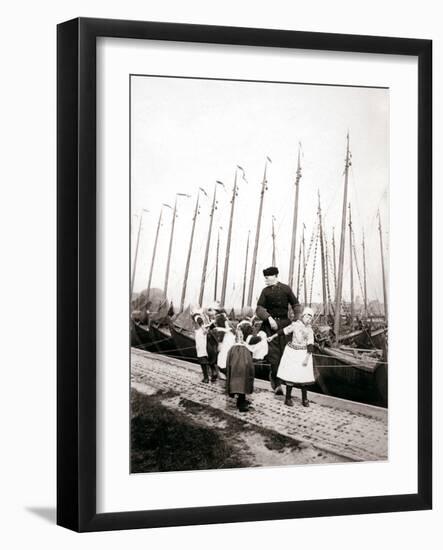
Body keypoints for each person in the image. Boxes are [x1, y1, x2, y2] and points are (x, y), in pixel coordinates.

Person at [255, 266, 299, 395]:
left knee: (286, 353)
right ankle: (277, 384)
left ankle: (286, 382)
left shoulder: (286, 289)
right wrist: (269, 318)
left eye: (267, 277)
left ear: (275, 276)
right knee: (274, 356)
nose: (266, 280)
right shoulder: (265, 291)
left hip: (285, 325)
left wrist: (296, 319)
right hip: (270, 327)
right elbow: (259, 309)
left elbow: (296, 305)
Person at [268, 307, 316, 407]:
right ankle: (288, 398)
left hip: (303, 353)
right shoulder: (295, 325)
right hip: (293, 352)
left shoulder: (310, 330)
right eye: (307, 316)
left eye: (310, 318)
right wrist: (272, 337)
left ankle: (305, 399)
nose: (308, 319)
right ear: (303, 316)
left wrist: (307, 358)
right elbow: (284, 331)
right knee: (291, 375)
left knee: (304, 376)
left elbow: (310, 345)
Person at [225, 323, 261, 412]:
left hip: (235, 356)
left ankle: (240, 400)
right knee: (243, 378)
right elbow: (257, 340)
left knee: (238, 378)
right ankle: (241, 404)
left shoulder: (234, 347)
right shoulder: (245, 345)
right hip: (241, 357)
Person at [192, 312, 218, 383]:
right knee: (209, 358)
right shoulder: (205, 319)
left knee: (202, 359)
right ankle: (214, 373)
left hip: (201, 341)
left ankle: (206, 378)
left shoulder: (197, 318)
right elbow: (209, 327)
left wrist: (203, 329)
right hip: (207, 341)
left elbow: (199, 320)